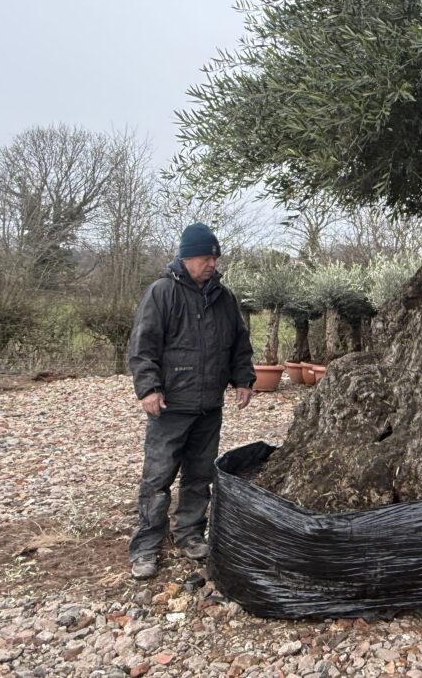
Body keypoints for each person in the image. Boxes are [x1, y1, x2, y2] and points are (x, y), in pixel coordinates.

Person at [126, 222, 256, 579]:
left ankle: (189, 534)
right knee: (157, 477)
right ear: (185, 257)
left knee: (200, 475)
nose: (211, 263)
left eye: (214, 256)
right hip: (170, 407)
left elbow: (239, 344)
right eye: (204, 256)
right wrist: (148, 388)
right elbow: (142, 347)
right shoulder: (162, 293)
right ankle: (146, 546)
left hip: (209, 407)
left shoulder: (224, 298)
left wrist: (243, 379)